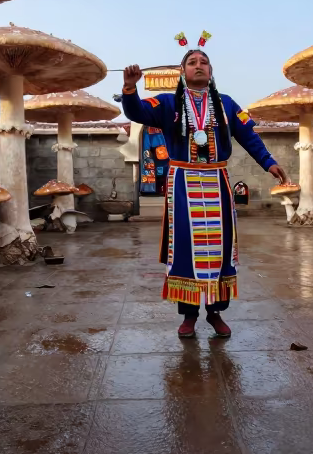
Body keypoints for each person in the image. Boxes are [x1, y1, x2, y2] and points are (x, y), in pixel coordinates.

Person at [121, 48, 288, 338]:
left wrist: (268, 162)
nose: (199, 66)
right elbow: (136, 111)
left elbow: (248, 135)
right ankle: (188, 315)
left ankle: (215, 312)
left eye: (204, 62)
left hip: (217, 182)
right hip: (182, 182)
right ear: (182, 71)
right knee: (185, 245)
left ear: (211, 71)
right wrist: (129, 87)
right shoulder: (167, 103)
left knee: (219, 246)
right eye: (192, 62)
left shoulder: (226, 104)